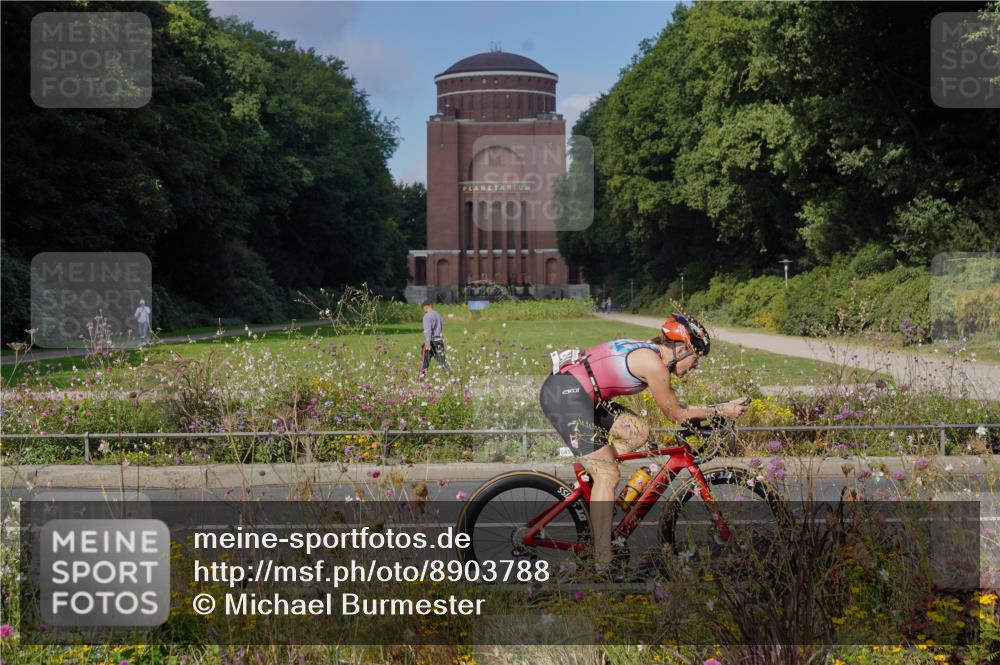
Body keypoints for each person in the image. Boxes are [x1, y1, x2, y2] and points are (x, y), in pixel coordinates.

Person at [539, 313, 749, 574]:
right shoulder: (654, 365)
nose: (695, 366)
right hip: (566, 394)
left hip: (581, 392)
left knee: (638, 432)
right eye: (696, 359)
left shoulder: (652, 351)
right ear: (682, 349)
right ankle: (602, 565)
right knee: (608, 473)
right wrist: (722, 410)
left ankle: (594, 477)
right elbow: (676, 414)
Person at [419, 299, 451, 377]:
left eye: (424, 307)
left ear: (428, 306)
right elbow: (441, 327)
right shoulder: (438, 314)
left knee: (425, 361)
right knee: (442, 360)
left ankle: (421, 378)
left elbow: (428, 331)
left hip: (431, 342)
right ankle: (450, 375)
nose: (423, 309)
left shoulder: (426, 316)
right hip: (439, 340)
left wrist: (427, 343)